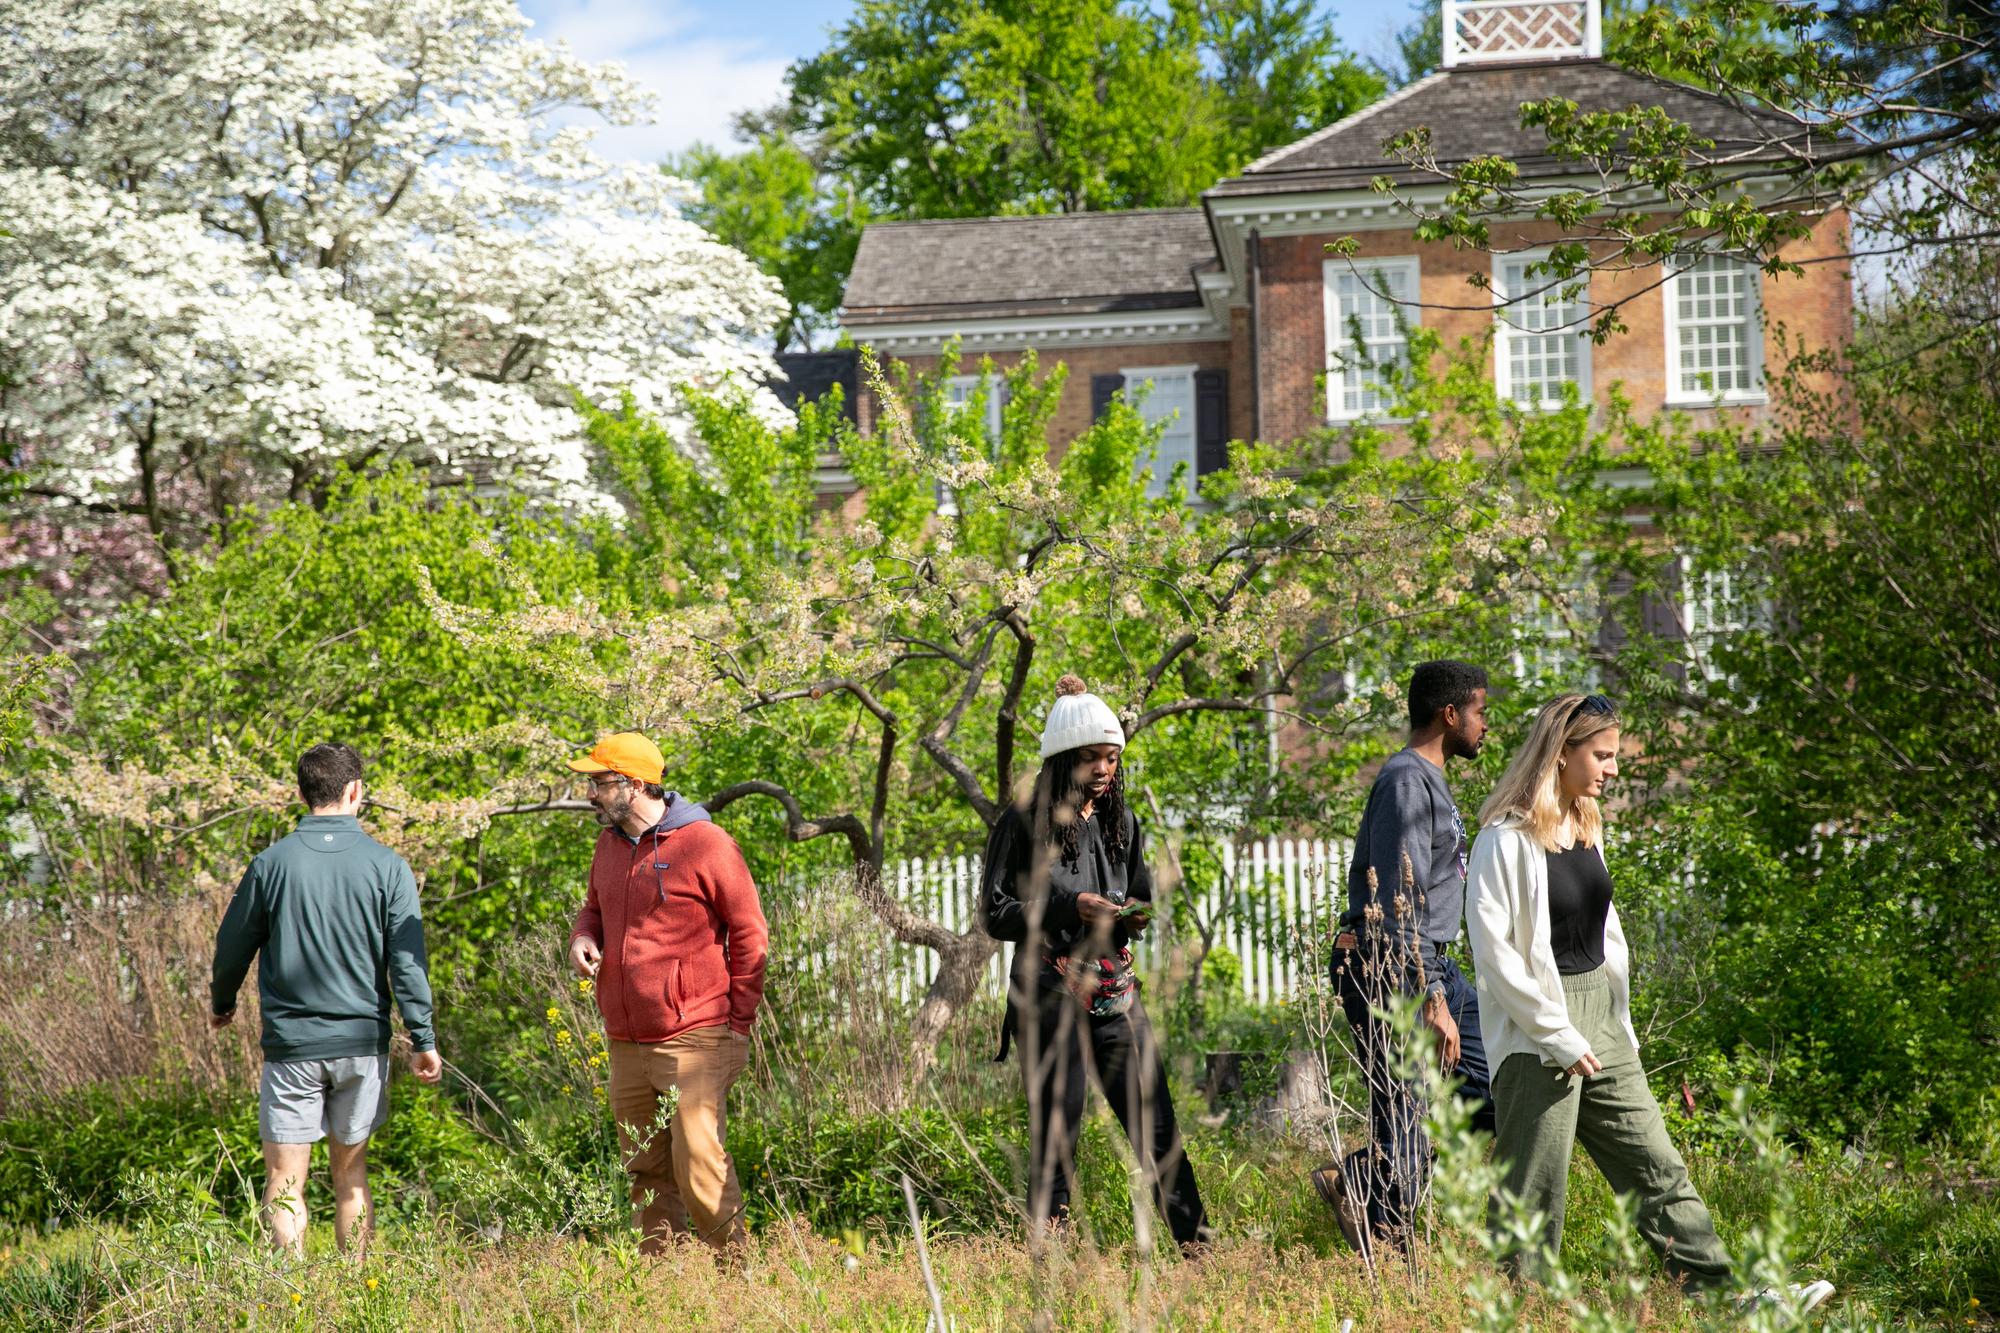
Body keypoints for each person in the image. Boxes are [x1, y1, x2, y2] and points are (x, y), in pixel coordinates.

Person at [1466, 693, 1834, 1313]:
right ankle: (1516, 1315)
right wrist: (1556, 1033)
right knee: (1532, 1194)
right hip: (1538, 1033)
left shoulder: (1583, 826)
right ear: (1561, 753)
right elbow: (1494, 955)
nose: (1613, 769)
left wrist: (1617, 1022)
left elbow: (1601, 934)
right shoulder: (1503, 840)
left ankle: (1725, 1299)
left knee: (1657, 1167)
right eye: (1603, 756)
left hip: (1600, 1023)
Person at [980, 674, 1210, 1255]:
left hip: (1114, 992)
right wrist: (1070, 906)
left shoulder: (1120, 823)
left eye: (1112, 758)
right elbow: (995, 912)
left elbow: (1136, 892)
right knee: (1058, 1131)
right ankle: (1051, 1261)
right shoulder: (1022, 822)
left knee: (1155, 1124)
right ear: (1062, 760)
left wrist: (1132, 915)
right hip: (1046, 992)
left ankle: (1200, 1251)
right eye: (1091, 758)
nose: (1105, 769)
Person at [210, 742, 442, 1259]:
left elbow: (232, 948)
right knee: (352, 1177)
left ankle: (290, 1295)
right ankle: (356, 1291)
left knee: (284, 1179)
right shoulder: (388, 867)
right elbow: (406, 963)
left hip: (292, 1047)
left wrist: (222, 1002)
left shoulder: (270, 865)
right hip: (361, 1044)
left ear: (301, 793)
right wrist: (422, 1038)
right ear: (356, 790)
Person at [1314, 659, 1493, 1256]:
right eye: (1480, 711)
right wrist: (1431, 997)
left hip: (1428, 962)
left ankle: (1364, 1177)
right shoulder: (1405, 782)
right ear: (1450, 714)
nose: (1485, 724)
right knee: (1404, 1113)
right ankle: (1389, 1252)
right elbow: (1397, 898)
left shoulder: (1427, 780)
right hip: (1391, 965)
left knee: (1499, 1087)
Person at [566, 730, 768, 1257]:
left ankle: (738, 1280)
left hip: (695, 1037)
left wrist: (738, 1025)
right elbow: (593, 908)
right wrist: (584, 936)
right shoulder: (609, 845)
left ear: (634, 785)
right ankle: (667, 1290)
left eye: (599, 782)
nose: (590, 793)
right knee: (646, 1174)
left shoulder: (707, 844)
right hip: (626, 1040)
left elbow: (751, 934)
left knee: (700, 1167)